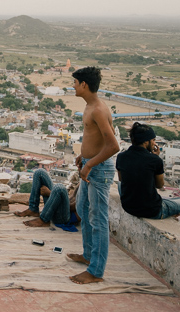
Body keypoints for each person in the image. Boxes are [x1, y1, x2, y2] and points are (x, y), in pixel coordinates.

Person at [67, 66, 120, 285]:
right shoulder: (90, 107)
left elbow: (113, 145)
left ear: (84, 85)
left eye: (75, 83)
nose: (73, 86)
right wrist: (84, 157)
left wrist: (90, 165)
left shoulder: (98, 109)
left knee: (98, 220)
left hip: (99, 169)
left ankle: (96, 270)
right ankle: (88, 255)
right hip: (90, 164)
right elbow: (95, 139)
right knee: (82, 209)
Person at [116, 122, 180, 219]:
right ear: (146, 141)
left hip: (128, 206)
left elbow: (121, 179)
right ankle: (169, 210)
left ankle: (168, 206)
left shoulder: (121, 156)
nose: (154, 143)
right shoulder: (155, 160)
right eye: (153, 140)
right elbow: (159, 185)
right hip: (152, 210)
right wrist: (155, 158)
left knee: (120, 185)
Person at [15, 168, 80, 230]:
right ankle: (33, 209)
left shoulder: (89, 188)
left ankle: (44, 220)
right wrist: (53, 195)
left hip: (65, 218)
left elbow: (74, 207)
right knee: (40, 172)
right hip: (59, 209)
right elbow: (70, 198)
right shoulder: (82, 182)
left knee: (60, 188)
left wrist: (50, 194)